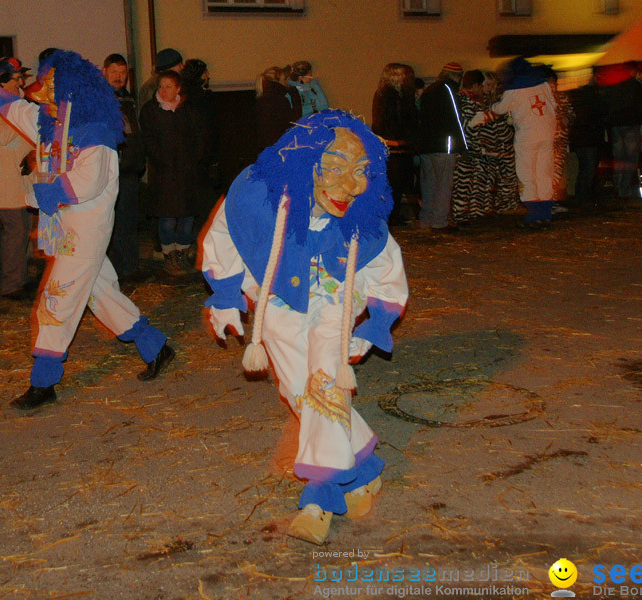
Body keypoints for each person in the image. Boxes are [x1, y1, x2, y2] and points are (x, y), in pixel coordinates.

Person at [200, 110, 408, 545]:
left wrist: (375, 324)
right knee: (302, 391)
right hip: (279, 302)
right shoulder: (257, 197)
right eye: (335, 167)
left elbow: (387, 271)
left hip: (334, 303)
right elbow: (224, 234)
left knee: (324, 380)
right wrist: (224, 296)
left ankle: (320, 495)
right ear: (305, 163)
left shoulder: (363, 223)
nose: (350, 186)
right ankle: (364, 467)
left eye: (361, 171)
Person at [0, 50, 175, 410]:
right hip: (66, 228)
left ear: (69, 87)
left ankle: (44, 382)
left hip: (86, 230)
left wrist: (42, 193)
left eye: (51, 83)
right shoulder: (55, 120)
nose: (42, 88)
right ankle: (156, 347)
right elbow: (17, 109)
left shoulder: (94, 130)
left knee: (56, 298)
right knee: (100, 295)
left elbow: (88, 181)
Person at [470, 57, 556, 227]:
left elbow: (501, 108)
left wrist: (491, 108)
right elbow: (552, 105)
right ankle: (546, 212)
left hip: (527, 136)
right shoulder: (543, 84)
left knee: (526, 173)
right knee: (544, 171)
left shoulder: (514, 89)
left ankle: (533, 214)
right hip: (548, 133)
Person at [0, 57, 36, 300]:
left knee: (22, 230)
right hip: (3, 181)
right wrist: (20, 111)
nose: (21, 82)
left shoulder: (13, 104)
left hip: (19, 178)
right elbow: (4, 137)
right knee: (14, 230)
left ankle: (19, 279)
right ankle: (11, 285)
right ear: (1, 81)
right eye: (17, 78)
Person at [139, 70, 206, 274]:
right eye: (161, 86)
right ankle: (169, 254)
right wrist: (162, 158)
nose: (164, 90)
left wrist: (194, 158)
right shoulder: (151, 111)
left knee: (186, 217)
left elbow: (200, 136)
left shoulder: (188, 109)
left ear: (178, 89)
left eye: (169, 86)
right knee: (167, 217)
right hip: (164, 173)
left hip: (187, 173)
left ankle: (182, 253)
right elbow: (148, 140)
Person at [451, 70, 518, 222]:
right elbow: (471, 126)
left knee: (484, 182)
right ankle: (467, 213)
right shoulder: (469, 101)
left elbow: (497, 127)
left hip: (489, 148)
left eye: (489, 85)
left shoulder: (491, 101)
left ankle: (480, 210)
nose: (486, 88)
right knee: (468, 183)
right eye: (484, 85)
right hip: (476, 149)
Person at [103, 53, 145, 281]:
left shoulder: (127, 97)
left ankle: (130, 267)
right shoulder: (101, 98)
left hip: (130, 168)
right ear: (104, 72)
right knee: (115, 222)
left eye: (123, 73)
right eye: (114, 73)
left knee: (129, 220)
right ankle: (119, 269)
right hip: (114, 170)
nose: (119, 77)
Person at [417, 62, 467, 229]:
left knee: (429, 184)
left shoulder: (429, 90)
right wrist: (463, 145)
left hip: (426, 145)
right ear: (457, 77)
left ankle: (426, 220)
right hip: (444, 145)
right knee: (443, 185)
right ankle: (439, 221)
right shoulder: (448, 90)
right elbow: (456, 118)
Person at [180, 58, 221, 253]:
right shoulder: (200, 99)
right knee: (205, 206)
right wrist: (207, 158)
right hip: (201, 160)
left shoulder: (186, 97)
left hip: (194, 159)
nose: (209, 76)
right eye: (205, 73)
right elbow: (205, 131)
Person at [372, 63, 418, 225]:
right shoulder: (387, 94)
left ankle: (394, 214)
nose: (404, 78)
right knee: (393, 181)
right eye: (400, 75)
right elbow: (388, 120)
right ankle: (390, 216)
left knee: (398, 182)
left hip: (398, 143)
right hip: (393, 143)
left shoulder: (398, 94)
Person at [604, 62, 642, 199]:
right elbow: (641, 105)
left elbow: (608, 104)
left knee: (619, 158)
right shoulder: (635, 85)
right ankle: (625, 188)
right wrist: (639, 120)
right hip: (630, 123)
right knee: (630, 158)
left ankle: (618, 185)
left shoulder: (615, 85)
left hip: (616, 125)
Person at [568, 76, 604, 207]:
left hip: (581, 138)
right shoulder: (591, 97)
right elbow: (599, 114)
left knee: (584, 168)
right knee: (588, 169)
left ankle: (582, 197)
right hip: (589, 137)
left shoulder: (577, 97)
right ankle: (584, 198)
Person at [540, 66, 574, 205]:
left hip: (559, 141)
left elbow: (571, 114)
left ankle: (551, 201)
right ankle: (546, 201)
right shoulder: (538, 99)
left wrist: (566, 119)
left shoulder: (562, 98)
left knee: (556, 172)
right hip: (545, 142)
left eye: (552, 82)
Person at [255, 67, 301, 152]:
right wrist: (296, 99)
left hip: (267, 148)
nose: (286, 83)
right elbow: (294, 123)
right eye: (284, 80)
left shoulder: (261, 100)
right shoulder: (279, 100)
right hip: (279, 148)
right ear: (277, 82)